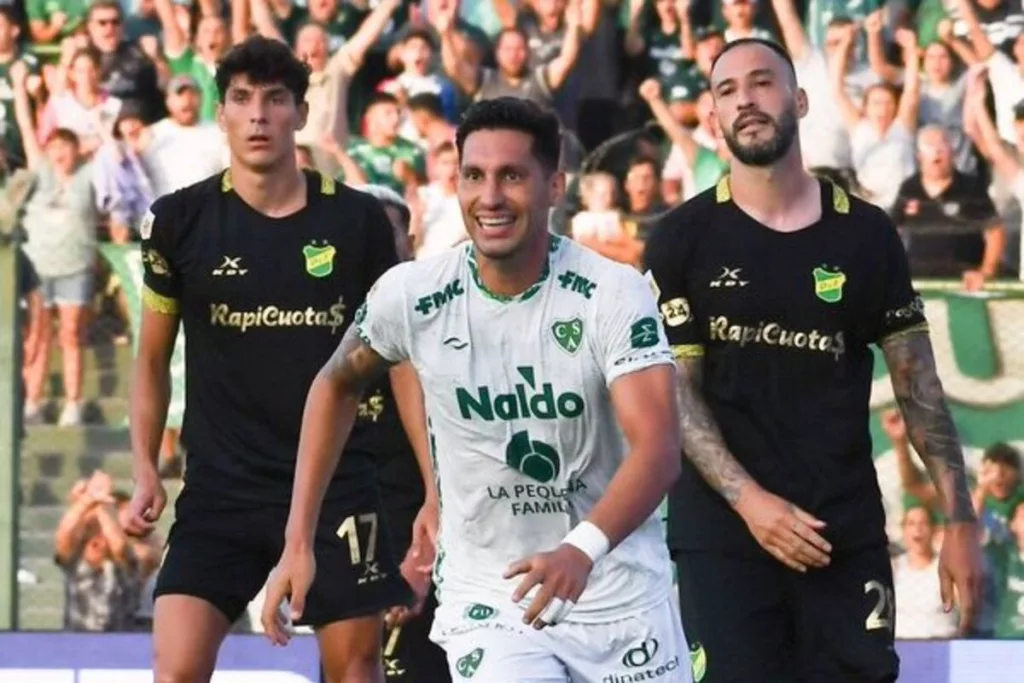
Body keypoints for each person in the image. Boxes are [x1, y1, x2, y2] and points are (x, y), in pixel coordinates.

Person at [261, 97, 691, 683]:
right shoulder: (413, 294)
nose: (489, 197)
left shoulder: (614, 294)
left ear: (555, 187)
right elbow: (335, 384)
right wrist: (298, 541)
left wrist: (581, 549)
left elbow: (660, 448)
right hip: (491, 599)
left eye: (512, 176)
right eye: (473, 176)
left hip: (617, 593)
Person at [643, 37, 983, 683]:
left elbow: (918, 384)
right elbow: (675, 396)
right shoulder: (681, 237)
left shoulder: (866, 233)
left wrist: (959, 517)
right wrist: (751, 502)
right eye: (726, 89)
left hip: (842, 534)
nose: (745, 98)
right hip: (726, 539)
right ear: (712, 118)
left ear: (799, 99)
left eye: (762, 82)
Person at [127, 36, 419, 683]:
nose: (258, 114)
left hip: (339, 487)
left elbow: (401, 358)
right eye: (241, 99)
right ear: (222, 113)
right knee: (175, 670)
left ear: (300, 112)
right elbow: (150, 358)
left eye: (275, 99)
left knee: (356, 670)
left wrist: (434, 490)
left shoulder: (357, 220)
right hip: (221, 489)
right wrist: (146, 467)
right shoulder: (180, 220)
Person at [339, 183, 451, 683]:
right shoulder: (331, 341)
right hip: (344, 561)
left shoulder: (439, 335)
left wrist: (422, 562)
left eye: (388, 235)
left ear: (411, 240)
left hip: (426, 554)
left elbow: (456, 460)